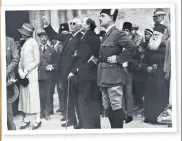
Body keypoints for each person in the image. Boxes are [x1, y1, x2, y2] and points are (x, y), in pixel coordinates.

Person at [98, 9, 137, 128]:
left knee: (116, 106)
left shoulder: (117, 33)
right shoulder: (106, 34)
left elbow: (133, 47)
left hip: (114, 75)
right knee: (107, 106)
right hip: (104, 75)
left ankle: (118, 132)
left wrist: (119, 59)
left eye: (102, 16)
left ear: (110, 17)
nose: (100, 18)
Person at [42, 17, 83, 128]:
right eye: (70, 23)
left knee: (76, 99)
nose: (71, 25)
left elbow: (80, 58)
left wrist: (73, 71)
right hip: (63, 73)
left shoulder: (81, 38)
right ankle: (71, 119)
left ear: (79, 26)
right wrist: (47, 26)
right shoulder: (68, 36)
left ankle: (80, 121)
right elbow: (55, 35)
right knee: (67, 97)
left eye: (74, 23)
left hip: (73, 74)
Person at [68, 17, 101, 129]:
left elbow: (94, 55)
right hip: (88, 75)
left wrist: (80, 68)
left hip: (88, 75)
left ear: (88, 25)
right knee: (89, 102)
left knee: (85, 102)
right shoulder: (87, 36)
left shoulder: (90, 36)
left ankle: (89, 128)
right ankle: (93, 127)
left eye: (82, 22)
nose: (81, 23)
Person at [143, 24, 169, 124]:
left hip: (160, 78)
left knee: (159, 96)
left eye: (157, 35)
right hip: (149, 78)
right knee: (149, 96)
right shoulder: (149, 48)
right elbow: (144, 62)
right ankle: (149, 117)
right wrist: (146, 68)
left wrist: (156, 67)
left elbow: (166, 62)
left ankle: (158, 118)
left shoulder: (164, 48)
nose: (154, 36)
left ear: (161, 36)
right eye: (153, 34)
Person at [17, 23, 41, 130]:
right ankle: (26, 118)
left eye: (23, 32)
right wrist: (20, 70)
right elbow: (21, 60)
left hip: (31, 74)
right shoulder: (25, 43)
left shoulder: (33, 43)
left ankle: (38, 119)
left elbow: (37, 60)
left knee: (33, 96)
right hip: (24, 75)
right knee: (25, 96)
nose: (22, 34)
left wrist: (26, 70)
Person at [38, 32, 58, 120]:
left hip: (49, 76)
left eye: (45, 37)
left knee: (48, 95)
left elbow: (57, 63)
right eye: (42, 37)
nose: (44, 39)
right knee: (40, 95)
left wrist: (52, 66)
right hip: (39, 76)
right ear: (39, 38)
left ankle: (46, 112)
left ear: (47, 39)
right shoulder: (36, 49)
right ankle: (41, 112)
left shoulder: (52, 50)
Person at [128, 42, 148, 112]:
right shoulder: (136, 55)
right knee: (136, 92)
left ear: (144, 49)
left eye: (140, 47)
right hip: (136, 77)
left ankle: (142, 106)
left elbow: (145, 65)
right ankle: (138, 105)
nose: (138, 48)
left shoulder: (147, 56)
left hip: (143, 77)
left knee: (142, 92)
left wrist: (141, 66)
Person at [122, 21, 135, 123]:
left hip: (128, 70)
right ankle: (122, 113)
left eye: (127, 30)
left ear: (130, 32)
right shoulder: (120, 43)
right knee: (120, 92)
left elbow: (136, 58)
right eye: (124, 30)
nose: (125, 32)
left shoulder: (132, 43)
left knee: (128, 93)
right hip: (119, 70)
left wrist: (130, 63)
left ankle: (129, 114)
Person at [6, 36, 19, 130]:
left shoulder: (10, 41)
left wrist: (7, 70)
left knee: (7, 106)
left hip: (7, 77)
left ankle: (12, 130)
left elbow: (15, 59)